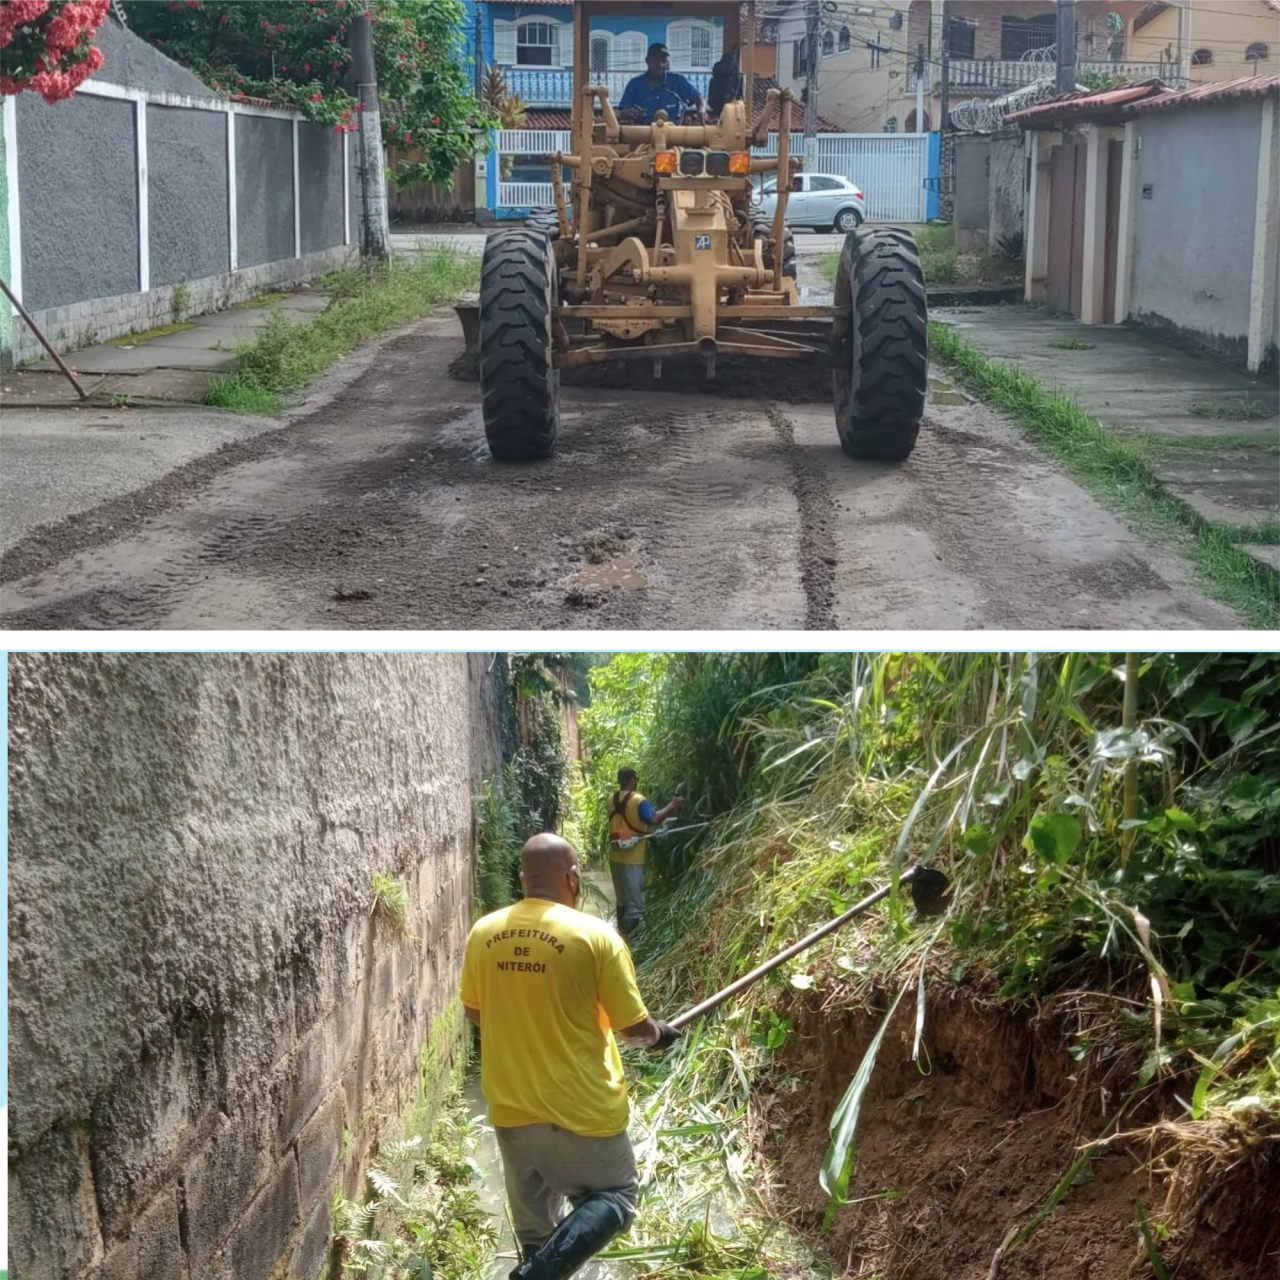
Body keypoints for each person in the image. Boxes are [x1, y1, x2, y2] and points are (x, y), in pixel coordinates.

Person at [461, 834, 681, 1280]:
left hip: (510, 1112)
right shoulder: (596, 936)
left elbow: (475, 1011)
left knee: (538, 1243)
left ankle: (533, 1272)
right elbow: (633, 1029)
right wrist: (662, 1035)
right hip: (581, 1112)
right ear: (573, 876)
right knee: (616, 1198)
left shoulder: (483, 932)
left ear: (523, 877)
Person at [608, 768, 683, 940]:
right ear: (633, 780)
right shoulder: (638, 801)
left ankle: (619, 938)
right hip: (633, 859)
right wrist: (673, 805)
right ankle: (632, 947)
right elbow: (654, 819)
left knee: (621, 901)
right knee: (634, 904)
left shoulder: (611, 799)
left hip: (615, 857)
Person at [618, 42, 707, 124]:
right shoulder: (635, 84)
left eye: (663, 61)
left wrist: (701, 111)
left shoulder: (677, 80)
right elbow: (622, 112)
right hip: (643, 135)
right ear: (647, 61)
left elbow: (699, 99)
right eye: (656, 61)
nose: (660, 65)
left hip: (674, 134)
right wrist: (631, 112)